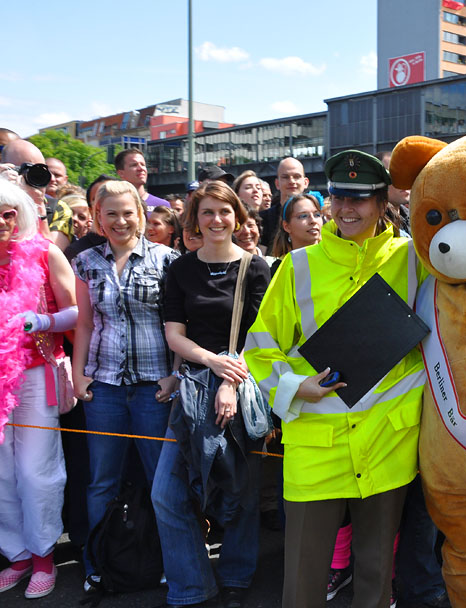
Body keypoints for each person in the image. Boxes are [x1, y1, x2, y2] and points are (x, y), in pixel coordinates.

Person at [245, 150, 425, 608]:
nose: (348, 208)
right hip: (315, 447)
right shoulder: (297, 267)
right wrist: (294, 387)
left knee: (376, 575)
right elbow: (260, 349)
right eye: (340, 196)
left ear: (383, 201)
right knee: (303, 578)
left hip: (388, 441)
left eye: (361, 198)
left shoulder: (414, 261)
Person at [151, 181, 270, 608]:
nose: (216, 220)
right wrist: (213, 363)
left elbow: (263, 340)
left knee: (240, 491)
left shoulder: (258, 269)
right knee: (167, 493)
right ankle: (192, 586)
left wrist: (230, 381)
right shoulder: (180, 270)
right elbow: (174, 334)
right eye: (207, 213)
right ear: (195, 220)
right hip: (192, 391)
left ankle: (237, 577)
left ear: (238, 216)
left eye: (224, 211)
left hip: (243, 387)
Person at [71, 180, 179, 590]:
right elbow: (84, 323)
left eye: (127, 212)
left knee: (161, 480)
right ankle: (97, 564)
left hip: (154, 387)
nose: (119, 221)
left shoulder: (167, 260)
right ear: (98, 217)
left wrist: (174, 373)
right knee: (102, 480)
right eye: (110, 213)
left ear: (141, 213)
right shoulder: (86, 262)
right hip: (105, 388)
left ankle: (170, 560)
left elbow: (176, 325)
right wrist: (79, 374)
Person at [0, 178, 76, 599]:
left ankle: (45, 557)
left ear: (20, 213)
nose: (1, 221)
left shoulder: (44, 252)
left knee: (36, 471)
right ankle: (17, 556)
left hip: (33, 375)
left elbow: (76, 310)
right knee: (1, 473)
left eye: (8, 212)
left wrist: (43, 321)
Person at [260, 157, 309, 251]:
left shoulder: (317, 217)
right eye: (285, 177)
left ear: (305, 182)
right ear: (277, 184)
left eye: (297, 176)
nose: (291, 181)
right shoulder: (264, 218)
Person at [270, 193, 323, 260]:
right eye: (303, 216)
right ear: (287, 226)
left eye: (317, 215)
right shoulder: (281, 266)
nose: (313, 221)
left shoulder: (335, 257)